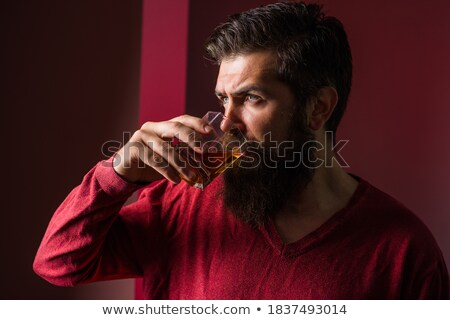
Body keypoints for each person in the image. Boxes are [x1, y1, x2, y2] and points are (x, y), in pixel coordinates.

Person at [33, 1, 449, 299]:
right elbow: (58, 263)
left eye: (250, 98)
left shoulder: (403, 251)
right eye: (222, 101)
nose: (227, 123)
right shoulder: (182, 205)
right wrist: (116, 175)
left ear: (318, 107)